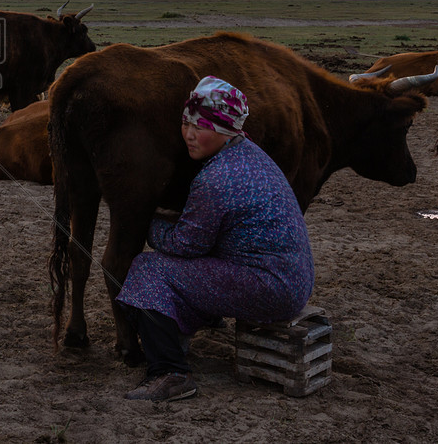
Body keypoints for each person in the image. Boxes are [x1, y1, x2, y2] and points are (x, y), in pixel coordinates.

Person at [115, 76, 314, 401]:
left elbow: (186, 245)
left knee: (148, 270)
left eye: (201, 126)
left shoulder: (217, 178)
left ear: (226, 129)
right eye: (186, 122)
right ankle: (188, 326)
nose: (189, 134)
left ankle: (170, 373)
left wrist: (147, 221)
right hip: (294, 280)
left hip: (272, 287)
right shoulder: (250, 154)